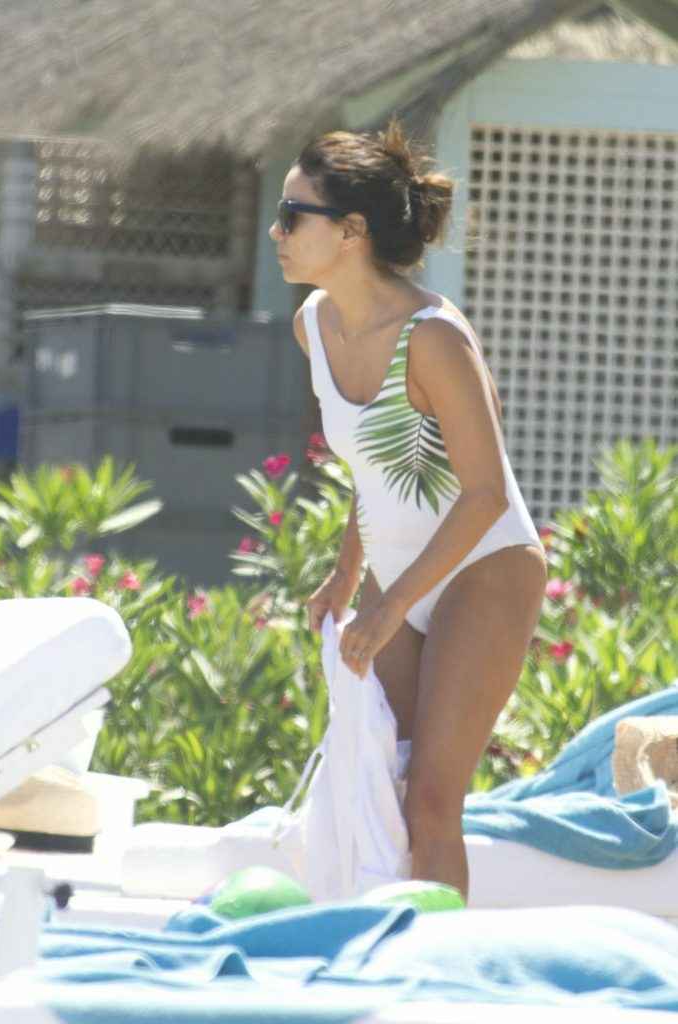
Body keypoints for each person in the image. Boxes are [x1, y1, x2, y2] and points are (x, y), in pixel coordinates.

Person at [268, 120, 548, 904]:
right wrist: (345, 573)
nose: (276, 233)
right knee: (378, 790)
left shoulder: (434, 338)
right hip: (397, 575)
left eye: (292, 215)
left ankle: (436, 967)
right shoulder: (313, 325)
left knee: (429, 800)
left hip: (486, 570)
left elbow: (485, 493)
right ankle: (380, 950)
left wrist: (390, 606)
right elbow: (377, 463)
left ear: (350, 231)